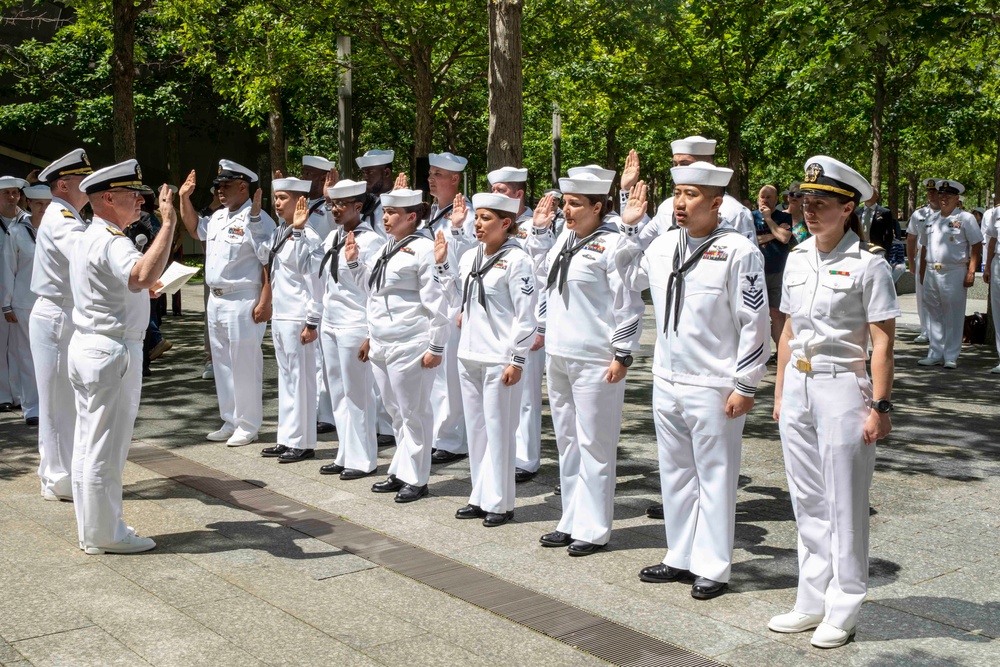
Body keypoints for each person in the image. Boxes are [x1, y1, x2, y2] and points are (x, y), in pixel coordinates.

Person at [618, 165, 768, 600]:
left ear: (717, 202)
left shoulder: (739, 251)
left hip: (713, 381)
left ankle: (713, 566)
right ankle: (679, 554)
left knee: (716, 476)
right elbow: (627, 280)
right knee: (676, 473)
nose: (680, 202)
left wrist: (745, 383)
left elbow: (754, 322)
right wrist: (630, 231)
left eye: (692, 194)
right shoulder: (663, 244)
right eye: (678, 193)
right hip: (667, 377)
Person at [769, 155, 899, 648]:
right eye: (804, 201)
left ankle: (844, 605)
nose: (808, 210)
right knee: (806, 501)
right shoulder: (799, 257)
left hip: (843, 387)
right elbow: (788, 332)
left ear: (848, 209)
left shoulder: (869, 266)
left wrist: (880, 407)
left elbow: (882, 343)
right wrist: (780, 393)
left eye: (821, 203)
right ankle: (810, 599)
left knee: (845, 502)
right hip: (799, 389)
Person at [529, 172, 644, 555]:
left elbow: (628, 299)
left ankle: (593, 528)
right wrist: (542, 234)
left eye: (575, 204)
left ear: (598, 206)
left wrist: (622, 352)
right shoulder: (565, 237)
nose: (567, 210)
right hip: (560, 353)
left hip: (595, 357)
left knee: (596, 443)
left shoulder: (613, 244)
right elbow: (543, 278)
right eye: (566, 203)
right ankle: (571, 518)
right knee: (568, 442)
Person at [69, 161, 178, 555]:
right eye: (131, 194)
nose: (140, 200)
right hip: (111, 350)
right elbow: (141, 277)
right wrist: (167, 224)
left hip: (90, 345)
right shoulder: (112, 239)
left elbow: (119, 285)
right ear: (108, 198)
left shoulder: (89, 235)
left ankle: (93, 529)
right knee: (107, 448)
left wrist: (138, 289)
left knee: (88, 443)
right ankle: (105, 534)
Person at [348, 188, 451, 503]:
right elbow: (374, 289)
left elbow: (437, 301)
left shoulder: (423, 249)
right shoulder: (385, 247)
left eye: (393, 213)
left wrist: (436, 346)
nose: (386, 217)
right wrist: (354, 265)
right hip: (382, 341)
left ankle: (417, 478)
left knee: (414, 412)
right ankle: (401, 467)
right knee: (395, 411)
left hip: (410, 342)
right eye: (385, 211)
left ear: (411, 217)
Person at [448, 192, 537, 526]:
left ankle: (500, 502)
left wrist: (517, 359)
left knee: (500, 431)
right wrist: (443, 263)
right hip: (469, 353)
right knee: (477, 431)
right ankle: (479, 494)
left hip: (499, 357)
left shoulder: (518, 260)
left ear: (505, 223)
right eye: (478, 217)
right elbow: (455, 298)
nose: (478, 223)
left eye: (486, 218)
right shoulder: (470, 256)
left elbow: (526, 315)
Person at [178, 161, 276, 446]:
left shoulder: (258, 218)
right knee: (222, 362)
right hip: (217, 299)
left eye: (226, 186)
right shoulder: (219, 217)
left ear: (243, 186)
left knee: (244, 363)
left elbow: (268, 261)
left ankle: (248, 424)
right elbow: (195, 229)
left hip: (243, 298)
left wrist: (265, 300)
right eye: (218, 186)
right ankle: (230, 419)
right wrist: (184, 198)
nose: (220, 191)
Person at [297, 179, 384, 478]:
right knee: (337, 394)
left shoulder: (372, 242)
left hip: (355, 325)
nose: (334, 209)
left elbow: (375, 292)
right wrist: (315, 319)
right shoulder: (332, 238)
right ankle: (345, 453)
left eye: (341, 205)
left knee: (358, 395)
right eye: (333, 204)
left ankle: (363, 459)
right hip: (332, 324)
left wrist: (371, 334)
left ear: (358, 207)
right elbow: (319, 282)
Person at [29, 149, 93, 501]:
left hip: (64, 311)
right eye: (84, 179)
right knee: (56, 402)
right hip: (56, 314)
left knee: (65, 399)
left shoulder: (68, 214)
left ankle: (60, 473)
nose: (90, 185)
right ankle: (56, 478)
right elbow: (86, 258)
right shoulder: (61, 216)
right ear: (64, 184)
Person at [255, 178, 323, 463]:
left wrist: (311, 321)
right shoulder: (280, 232)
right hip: (282, 314)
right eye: (276, 197)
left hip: (297, 315)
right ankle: (286, 437)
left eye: (283, 197)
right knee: (286, 379)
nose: (277, 203)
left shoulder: (309, 236)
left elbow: (312, 279)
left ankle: (303, 441)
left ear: (300, 201)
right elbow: (261, 254)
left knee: (301, 380)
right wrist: (256, 217)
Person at [488, 166, 546, 483]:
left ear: (518, 193)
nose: (497, 196)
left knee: (525, 398)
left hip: (527, 322)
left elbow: (547, 280)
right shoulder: (491, 224)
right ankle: (503, 455)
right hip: (496, 323)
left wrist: (541, 325)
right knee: (500, 393)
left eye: (502, 190)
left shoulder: (538, 225)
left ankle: (526, 459)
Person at [425, 152, 475, 463]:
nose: (430, 178)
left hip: (453, 299)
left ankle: (454, 439)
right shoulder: (434, 210)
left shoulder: (466, 214)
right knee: (437, 375)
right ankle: (440, 433)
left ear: (455, 179)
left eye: (437, 174)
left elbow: (469, 255)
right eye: (430, 173)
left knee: (451, 376)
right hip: (434, 299)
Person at [625, 138, 757, 248]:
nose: (677, 170)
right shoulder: (666, 207)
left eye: (684, 164)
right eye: (674, 164)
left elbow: (747, 259)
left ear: (708, 164)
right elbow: (637, 242)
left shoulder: (736, 212)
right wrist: (626, 191)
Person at [917, 180, 983, 368]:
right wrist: (922, 271)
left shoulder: (965, 218)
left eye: (948, 196)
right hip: (931, 269)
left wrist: (971, 270)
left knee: (953, 314)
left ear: (956, 198)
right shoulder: (931, 219)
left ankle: (951, 356)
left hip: (954, 270)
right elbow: (924, 247)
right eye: (941, 195)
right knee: (933, 313)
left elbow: (976, 244)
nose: (943, 199)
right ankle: (935, 352)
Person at [2, 183, 48, 425]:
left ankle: (52, 405)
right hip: (24, 303)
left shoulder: (60, 230)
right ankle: (32, 408)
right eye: (39, 204)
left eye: (48, 204)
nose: (44, 208)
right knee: (27, 357)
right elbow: (8, 269)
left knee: (53, 358)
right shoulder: (17, 232)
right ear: (28, 203)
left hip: (53, 303)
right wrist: (6, 304)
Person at [299, 156, 338, 435]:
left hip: (324, 285)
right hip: (305, 287)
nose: (305, 178)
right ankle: (315, 408)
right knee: (313, 357)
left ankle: (326, 411)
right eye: (303, 173)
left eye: (311, 174)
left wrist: (330, 198)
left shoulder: (328, 209)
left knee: (325, 357)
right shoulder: (306, 206)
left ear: (326, 178)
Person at [0, 175, 29, 412]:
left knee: (20, 347)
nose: (12, 197)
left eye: (15, 193)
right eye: (6, 193)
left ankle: (21, 393)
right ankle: (3, 394)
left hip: (20, 294)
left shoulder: (28, 223)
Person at [755, 185, 793, 348]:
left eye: (769, 197)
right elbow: (747, 241)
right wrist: (773, 235)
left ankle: (781, 352)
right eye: (762, 196)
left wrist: (768, 219)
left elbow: (784, 238)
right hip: (755, 272)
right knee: (755, 314)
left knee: (777, 313)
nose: (765, 199)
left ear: (776, 199)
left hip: (777, 271)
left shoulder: (784, 217)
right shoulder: (749, 217)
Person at [905, 178, 940, 344]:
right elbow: (911, 239)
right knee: (922, 295)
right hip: (923, 259)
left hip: (943, 259)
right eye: (929, 191)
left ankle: (940, 330)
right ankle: (925, 330)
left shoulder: (950, 214)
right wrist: (911, 262)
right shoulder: (919, 214)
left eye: (935, 191)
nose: (931, 194)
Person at [355, 149, 395, 238]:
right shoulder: (362, 200)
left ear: (387, 173)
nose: (365, 177)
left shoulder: (399, 201)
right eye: (364, 172)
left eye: (370, 172)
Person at [983, 203, 1000, 373]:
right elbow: (992, 240)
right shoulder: (997, 212)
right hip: (998, 262)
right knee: (998, 310)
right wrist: (987, 266)